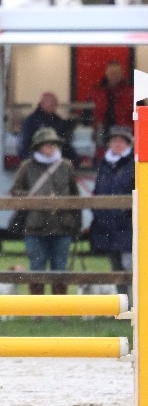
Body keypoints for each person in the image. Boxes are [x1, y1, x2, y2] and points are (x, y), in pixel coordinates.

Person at [10, 126, 81, 299]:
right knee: (37, 268)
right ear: (38, 146)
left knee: (60, 268)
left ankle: (59, 309)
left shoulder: (66, 166)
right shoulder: (27, 167)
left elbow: (75, 196)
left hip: (62, 225)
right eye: (47, 144)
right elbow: (15, 192)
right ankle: (37, 308)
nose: (51, 147)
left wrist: (76, 224)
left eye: (53, 144)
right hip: (35, 226)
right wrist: (36, 197)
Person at [90, 126, 134, 298]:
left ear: (128, 143)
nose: (117, 144)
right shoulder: (104, 164)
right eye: (114, 140)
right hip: (107, 224)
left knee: (130, 265)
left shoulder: (135, 164)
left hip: (128, 224)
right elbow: (98, 191)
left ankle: (138, 305)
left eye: (121, 141)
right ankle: (122, 305)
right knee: (115, 267)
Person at [18, 92, 78, 165]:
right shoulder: (31, 122)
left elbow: (65, 144)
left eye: (55, 103)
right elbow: (25, 145)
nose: (54, 106)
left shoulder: (57, 121)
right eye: (51, 103)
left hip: (56, 164)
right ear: (42, 103)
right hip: (38, 165)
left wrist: (74, 160)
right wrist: (30, 163)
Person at [88, 60, 133, 145]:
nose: (114, 75)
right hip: (101, 131)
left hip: (125, 132)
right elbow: (87, 112)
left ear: (122, 74)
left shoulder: (131, 91)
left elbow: (142, 115)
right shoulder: (96, 91)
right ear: (106, 73)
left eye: (117, 73)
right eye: (112, 72)